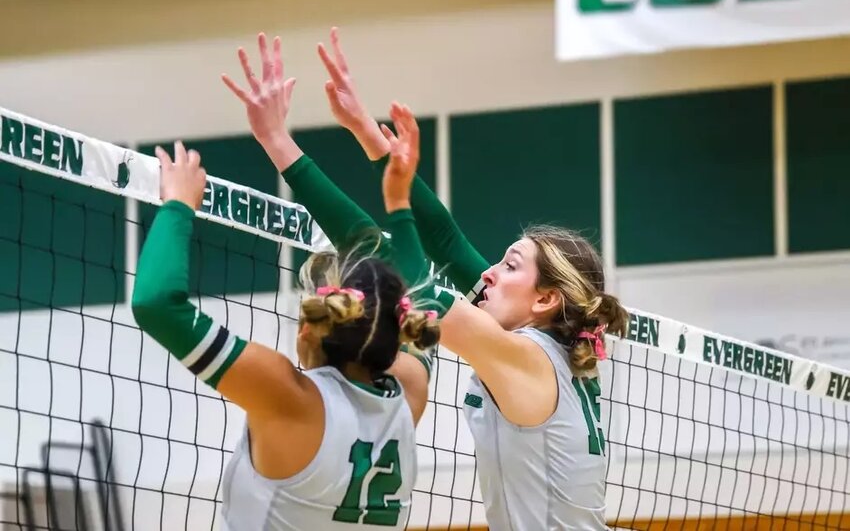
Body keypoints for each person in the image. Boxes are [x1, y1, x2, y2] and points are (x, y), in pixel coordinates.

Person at [313, 28, 631, 530]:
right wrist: (367, 133)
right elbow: (444, 237)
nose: (486, 271)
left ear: (546, 299)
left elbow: (403, 271)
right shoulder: (542, 347)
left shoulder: (525, 354)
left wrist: (280, 147)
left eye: (509, 265)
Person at [131, 140, 438, 530]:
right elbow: (420, 288)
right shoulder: (408, 393)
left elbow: (155, 304)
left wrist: (178, 205)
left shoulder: (287, 394)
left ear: (309, 327)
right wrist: (399, 207)